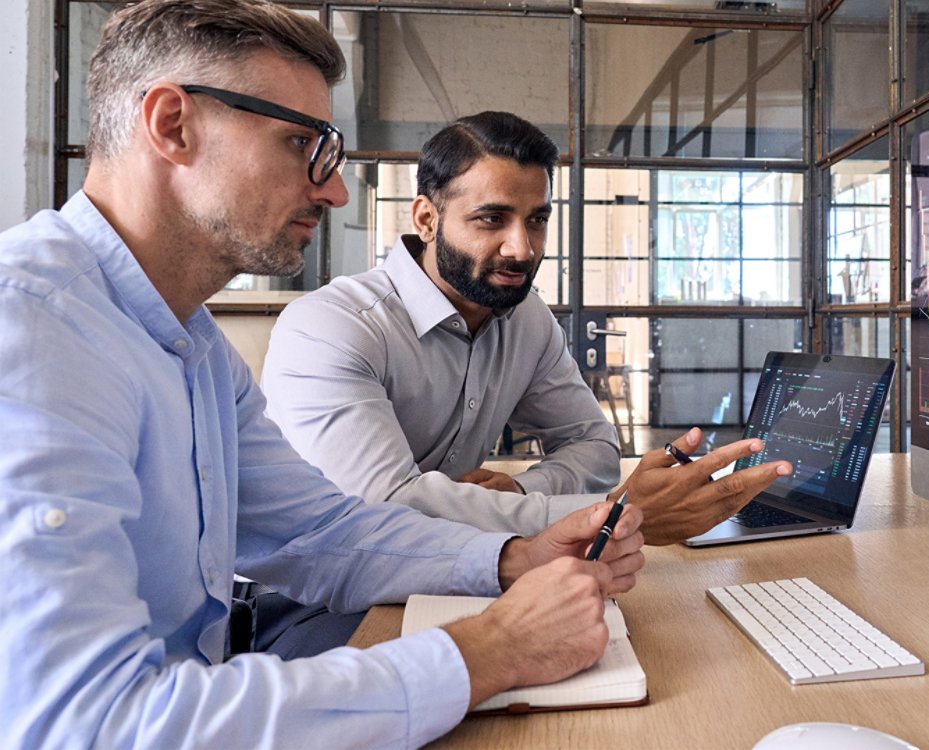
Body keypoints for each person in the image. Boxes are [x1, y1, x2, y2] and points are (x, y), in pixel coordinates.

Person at [0, 2, 647, 747]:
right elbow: (87, 723)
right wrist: (489, 651)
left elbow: (317, 531)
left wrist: (510, 557)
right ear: (173, 125)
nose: (335, 191)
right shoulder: (34, 330)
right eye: (300, 143)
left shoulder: (193, 344)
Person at [262, 111, 792, 543]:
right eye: (491, 219)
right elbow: (383, 509)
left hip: (450, 567)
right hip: (307, 596)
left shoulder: (525, 317)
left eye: (536, 220)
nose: (522, 249)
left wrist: (521, 492)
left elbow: (593, 444)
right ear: (426, 219)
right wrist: (611, 513)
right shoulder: (332, 328)